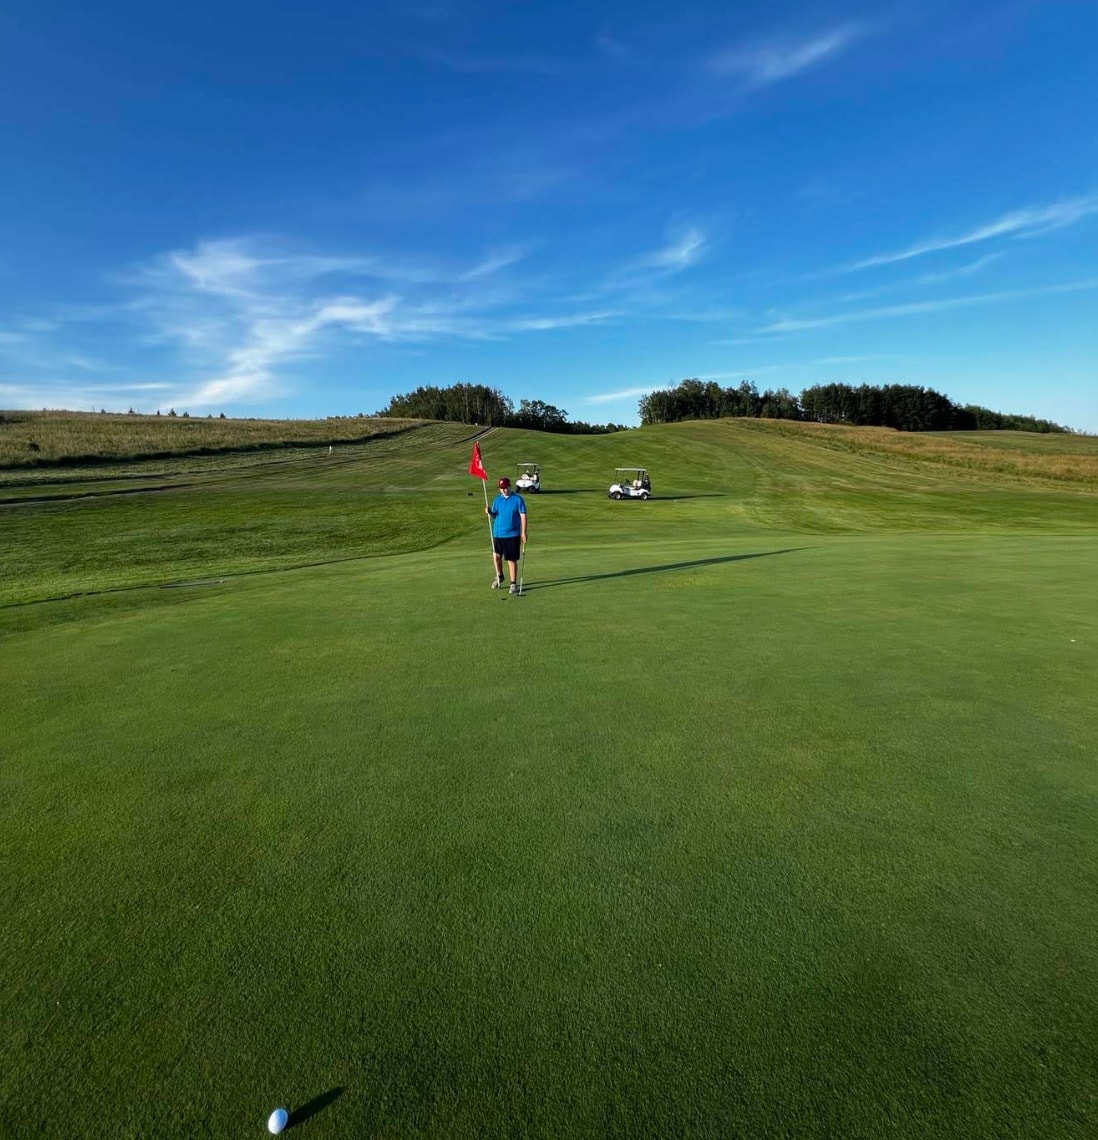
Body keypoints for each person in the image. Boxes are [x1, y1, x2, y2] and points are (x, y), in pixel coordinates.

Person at [486, 476, 527, 594]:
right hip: (498, 533)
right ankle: (499, 576)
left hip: (512, 534)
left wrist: (523, 532)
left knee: (511, 560)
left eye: (505, 487)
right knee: (496, 557)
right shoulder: (497, 500)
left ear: (510, 486)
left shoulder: (518, 499)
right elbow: (494, 516)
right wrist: (489, 512)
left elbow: (523, 516)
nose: (503, 490)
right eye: (501, 488)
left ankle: (513, 584)